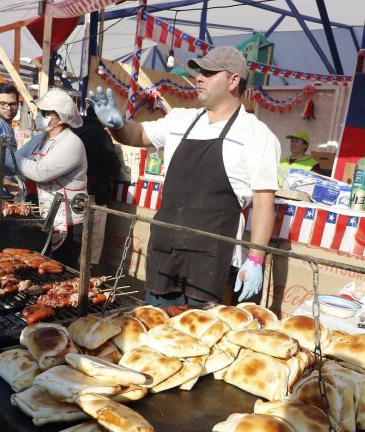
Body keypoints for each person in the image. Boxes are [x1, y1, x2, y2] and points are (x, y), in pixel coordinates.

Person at [87, 46, 280, 307]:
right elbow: (138, 135)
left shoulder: (257, 135)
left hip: (212, 260)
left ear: (234, 80)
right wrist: (117, 123)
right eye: (200, 71)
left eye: (210, 73)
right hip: (166, 251)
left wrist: (256, 258)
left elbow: (264, 203)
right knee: (157, 332)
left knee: (201, 338)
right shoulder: (180, 119)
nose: (199, 77)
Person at [0, 88, 87, 268]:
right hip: (42, 213)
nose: (38, 115)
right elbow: (15, 163)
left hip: (67, 221)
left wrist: (0, 151)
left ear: (59, 117)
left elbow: (40, 172)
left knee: (60, 268)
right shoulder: (40, 139)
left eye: (44, 113)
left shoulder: (71, 143)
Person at [71, 105, 122, 265]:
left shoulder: (72, 130)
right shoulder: (100, 135)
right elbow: (114, 167)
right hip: (94, 195)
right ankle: (86, 283)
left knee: (73, 244)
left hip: (72, 195)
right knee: (90, 246)